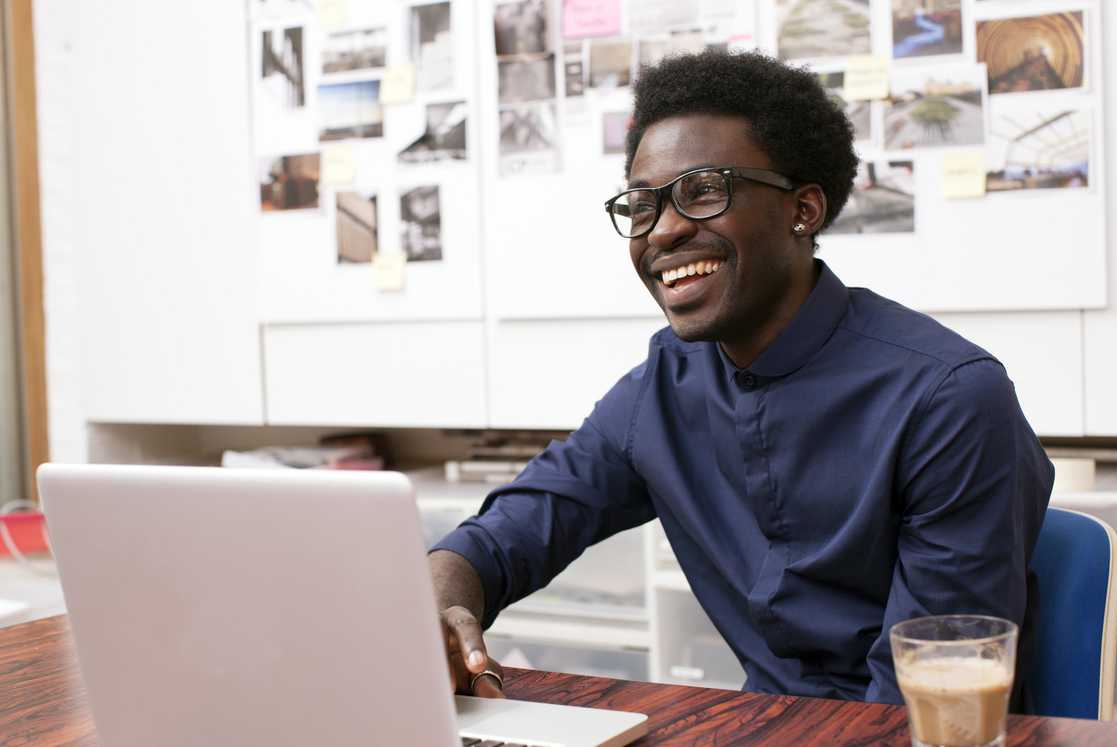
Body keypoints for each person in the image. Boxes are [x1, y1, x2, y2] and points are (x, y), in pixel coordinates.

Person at [430, 51, 1053, 707]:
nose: (663, 230)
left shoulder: (948, 397)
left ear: (803, 210)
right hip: (762, 723)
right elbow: (518, 527)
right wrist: (444, 596)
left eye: (703, 190)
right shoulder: (662, 385)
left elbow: (924, 694)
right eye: (643, 205)